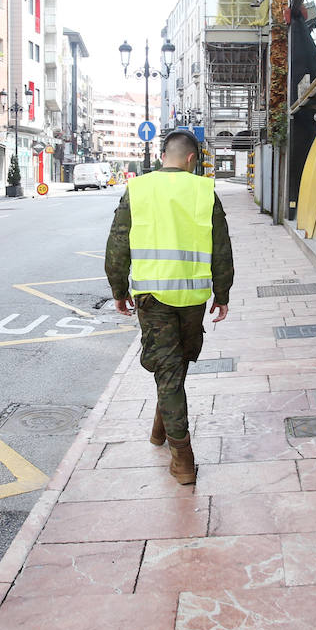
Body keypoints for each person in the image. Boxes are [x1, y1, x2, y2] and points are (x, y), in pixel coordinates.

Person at [104, 130, 234, 484]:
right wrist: (222, 294)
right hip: (193, 297)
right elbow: (221, 246)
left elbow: (117, 244)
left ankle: (178, 451)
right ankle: (178, 449)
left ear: (164, 155)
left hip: (152, 297)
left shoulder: (138, 189)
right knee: (174, 369)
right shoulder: (205, 191)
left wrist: (118, 289)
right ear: (192, 159)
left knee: (169, 370)